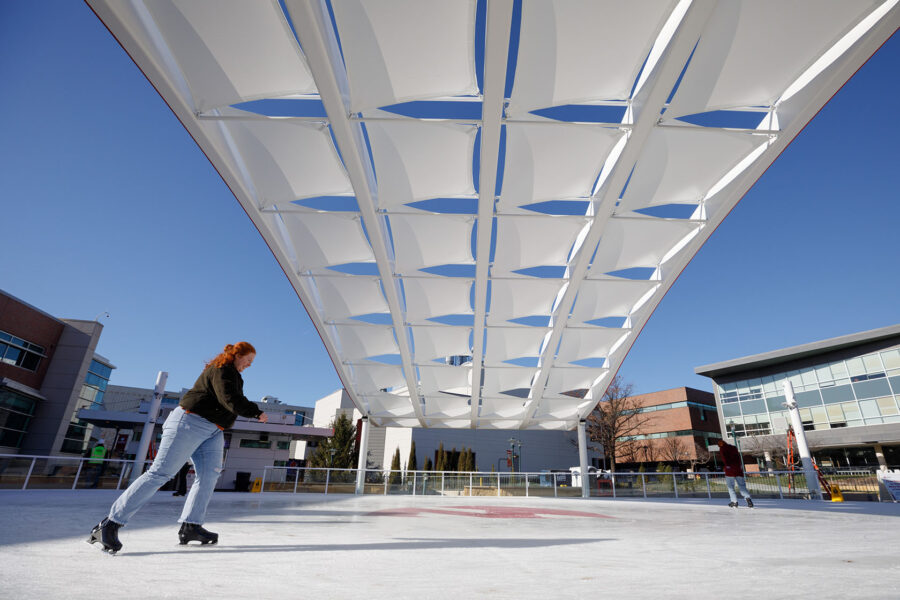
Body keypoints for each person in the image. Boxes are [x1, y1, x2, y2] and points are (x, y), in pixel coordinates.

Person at [88, 342, 268, 554]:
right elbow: (230, 399)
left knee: (209, 475)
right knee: (160, 473)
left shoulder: (234, 375)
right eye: (248, 360)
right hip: (190, 422)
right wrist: (256, 412)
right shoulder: (222, 370)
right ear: (237, 355)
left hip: (213, 430)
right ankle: (110, 524)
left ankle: (191, 526)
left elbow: (229, 401)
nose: (249, 365)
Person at [717, 439, 753, 508]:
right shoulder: (733, 448)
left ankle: (734, 502)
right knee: (742, 486)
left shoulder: (722, 449)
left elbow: (724, 458)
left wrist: (727, 466)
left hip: (729, 471)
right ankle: (748, 500)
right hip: (738, 470)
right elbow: (738, 458)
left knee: (731, 487)